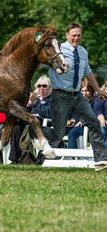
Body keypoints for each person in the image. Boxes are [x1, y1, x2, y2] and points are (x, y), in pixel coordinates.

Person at [48, 23, 107, 171]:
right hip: (60, 95)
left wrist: (98, 91)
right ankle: (39, 151)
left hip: (78, 96)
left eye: (79, 35)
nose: (76, 38)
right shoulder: (58, 49)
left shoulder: (83, 52)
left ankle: (101, 160)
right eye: (73, 35)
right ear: (67, 35)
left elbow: (88, 73)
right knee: (59, 132)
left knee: (93, 123)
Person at [9, 75, 52, 164]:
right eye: (39, 86)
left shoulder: (52, 99)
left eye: (44, 86)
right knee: (16, 128)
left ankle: (32, 157)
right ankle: (15, 159)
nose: (41, 88)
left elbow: (48, 113)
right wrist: (27, 105)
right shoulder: (33, 99)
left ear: (50, 88)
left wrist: (36, 103)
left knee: (29, 128)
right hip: (28, 122)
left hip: (42, 125)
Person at [67, 81, 95, 149]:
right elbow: (75, 115)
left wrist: (82, 121)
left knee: (73, 132)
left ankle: (73, 156)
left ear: (91, 92)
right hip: (77, 126)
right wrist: (72, 120)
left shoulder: (94, 102)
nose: (84, 93)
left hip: (89, 128)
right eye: (82, 91)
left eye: (87, 91)